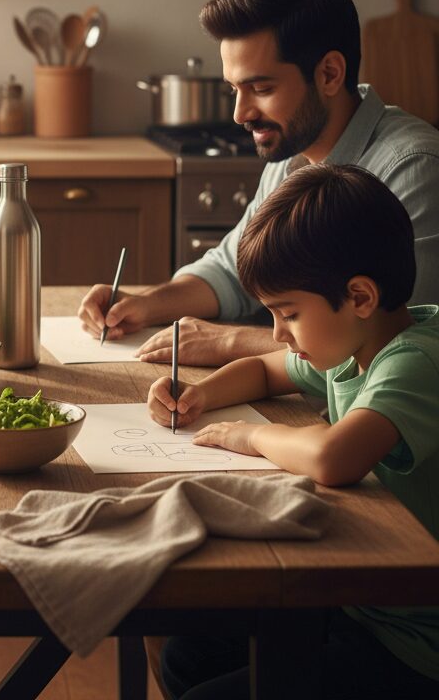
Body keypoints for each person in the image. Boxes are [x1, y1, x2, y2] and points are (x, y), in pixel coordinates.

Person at [147, 164, 439, 698]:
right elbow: (263, 370)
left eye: (288, 314)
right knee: (187, 654)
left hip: (415, 643)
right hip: (358, 599)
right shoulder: (352, 343)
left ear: (360, 297)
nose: (277, 333)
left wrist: (247, 436)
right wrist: (200, 396)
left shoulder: (415, 362)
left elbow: (334, 457)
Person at [79, 0, 439, 366]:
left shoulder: (414, 167)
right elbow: (231, 270)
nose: (239, 114)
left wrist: (232, 342)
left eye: (262, 89)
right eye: (234, 89)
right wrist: (147, 303)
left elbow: (408, 345)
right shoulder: (293, 154)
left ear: (330, 74)